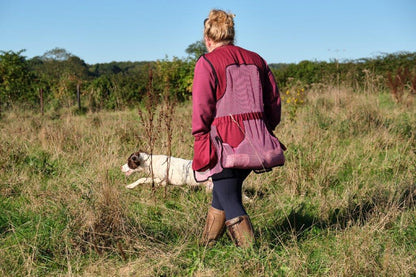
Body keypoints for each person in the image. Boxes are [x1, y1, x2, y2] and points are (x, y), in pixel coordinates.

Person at [192, 9, 283, 248]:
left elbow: (201, 108)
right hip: (256, 142)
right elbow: (273, 101)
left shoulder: (207, 62)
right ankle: (206, 247)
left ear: (207, 38)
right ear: (232, 34)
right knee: (222, 194)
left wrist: (200, 140)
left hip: (224, 143)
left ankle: (252, 259)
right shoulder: (257, 59)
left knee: (230, 198)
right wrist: (264, 129)